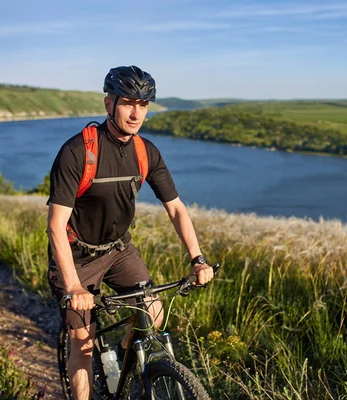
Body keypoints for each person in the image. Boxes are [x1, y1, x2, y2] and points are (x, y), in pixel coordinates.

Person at [46, 65, 215, 400]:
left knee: (152, 311)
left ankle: (127, 363)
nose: (136, 113)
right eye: (128, 103)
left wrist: (198, 258)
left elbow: (176, 208)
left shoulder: (145, 152)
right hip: (77, 255)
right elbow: (55, 224)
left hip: (119, 249)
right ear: (109, 104)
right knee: (83, 342)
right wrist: (75, 286)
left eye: (143, 105)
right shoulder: (78, 151)